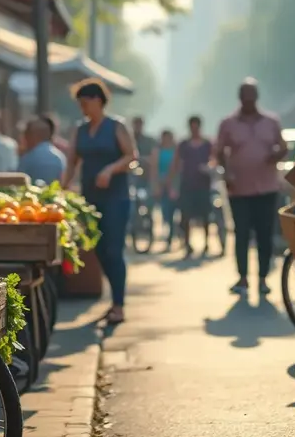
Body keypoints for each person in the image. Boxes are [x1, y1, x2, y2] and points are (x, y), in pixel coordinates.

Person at [63, 78, 136, 325]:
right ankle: (113, 298)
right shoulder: (80, 130)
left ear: (98, 100)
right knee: (100, 250)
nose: (83, 107)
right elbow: (72, 162)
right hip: (90, 201)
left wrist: (110, 170)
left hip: (117, 198)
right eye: (80, 103)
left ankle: (119, 304)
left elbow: (130, 156)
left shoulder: (116, 126)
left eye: (85, 102)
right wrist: (62, 189)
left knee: (114, 250)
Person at [214, 78, 286, 295]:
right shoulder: (228, 124)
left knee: (265, 234)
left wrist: (276, 156)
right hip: (239, 190)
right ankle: (243, 278)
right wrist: (226, 173)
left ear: (257, 97)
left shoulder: (271, 121)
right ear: (240, 98)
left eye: (252, 96)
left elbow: (283, 147)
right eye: (245, 97)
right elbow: (219, 152)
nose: (249, 101)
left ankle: (263, 278)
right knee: (242, 233)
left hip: (267, 187)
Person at [169, 116, 215, 257]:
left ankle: (206, 243)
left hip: (203, 185)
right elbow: (175, 165)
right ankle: (187, 244)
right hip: (187, 185)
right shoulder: (183, 144)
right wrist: (172, 185)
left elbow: (214, 160)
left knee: (205, 216)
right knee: (186, 216)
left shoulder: (207, 143)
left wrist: (208, 167)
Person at [150, 130, 179, 249]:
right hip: (162, 185)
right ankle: (168, 237)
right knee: (165, 212)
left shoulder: (176, 151)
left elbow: (178, 169)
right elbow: (154, 169)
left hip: (174, 184)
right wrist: (155, 186)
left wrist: (174, 186)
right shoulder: (157, 151)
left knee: (175, 212)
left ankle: (175, 235)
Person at [19, 115, 67, 185]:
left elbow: (17, 182)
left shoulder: (28, 158)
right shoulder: (60, 158)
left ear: (33, 135)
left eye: (26, 134)